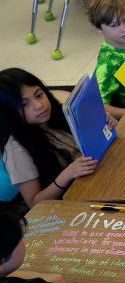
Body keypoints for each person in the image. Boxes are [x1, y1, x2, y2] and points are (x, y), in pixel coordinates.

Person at [0, 68, 99, 208]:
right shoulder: (17, 149)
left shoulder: (56, 114)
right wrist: (66, 175)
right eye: (24, 104)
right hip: (73, 206)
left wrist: (101, 123)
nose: (39, 105)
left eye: (39, 95)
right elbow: (34, 204)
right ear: (10, 112)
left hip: (95, 178)